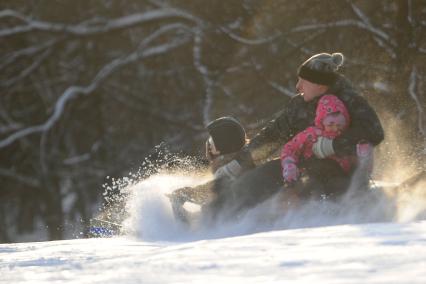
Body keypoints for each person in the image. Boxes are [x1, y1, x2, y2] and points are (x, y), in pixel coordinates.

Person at [204, 52, 384, 217]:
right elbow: (271, 137)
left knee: (305, 185)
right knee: (255, 179)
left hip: (339, 173)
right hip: (299, 166)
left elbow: (373, 131)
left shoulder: (350, 101)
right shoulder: (298, 106)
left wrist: (333, 145)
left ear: (319, 83)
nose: (298, 87)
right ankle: (214, 214)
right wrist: (238, 163)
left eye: (302, 81)